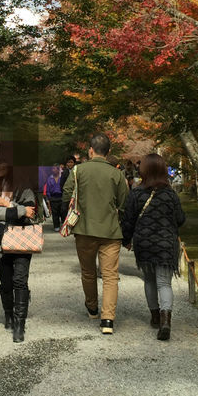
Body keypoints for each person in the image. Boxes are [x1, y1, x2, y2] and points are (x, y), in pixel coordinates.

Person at [61, 132, 128, 335]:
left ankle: (92, 308)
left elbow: (66, 195)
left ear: (90, 150)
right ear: (108, 152)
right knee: (110, 276)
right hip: (110, 230)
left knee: (88, 272)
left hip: (84, 229)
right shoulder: (116, 173)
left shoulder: (77, 171)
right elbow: (124, 203)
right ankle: (108, 320)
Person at [122, 152, 186, 341]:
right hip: (166, 243)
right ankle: (166, 321)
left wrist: (125, 239)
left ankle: (155, 317)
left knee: (149, 281)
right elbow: (181, 219)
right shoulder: (170, 194)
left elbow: (128, 220)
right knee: (165, 283)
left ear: (144, 171)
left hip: (144, 243)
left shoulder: (136, 193)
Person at [0, 157, 37, 343]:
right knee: (6, 282)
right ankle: (8, 314)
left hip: (22, 239)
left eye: (3, 162)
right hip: (0, 240)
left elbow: (31, 212)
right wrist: (20, 210)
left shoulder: (24, 186)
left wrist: (7, 204)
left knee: (20, 281)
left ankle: (19, 324)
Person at [45, 164, 64, 231]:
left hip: (61, 197)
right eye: (52, 169)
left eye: (54, 169)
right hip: (53, 198)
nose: (53, 170)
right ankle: (56, 226)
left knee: (63, 212)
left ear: (58, 169)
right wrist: (49, 198)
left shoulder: (62, 178)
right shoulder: (50, 178)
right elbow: (48, 189)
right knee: (55, 213)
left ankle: (64, 226)